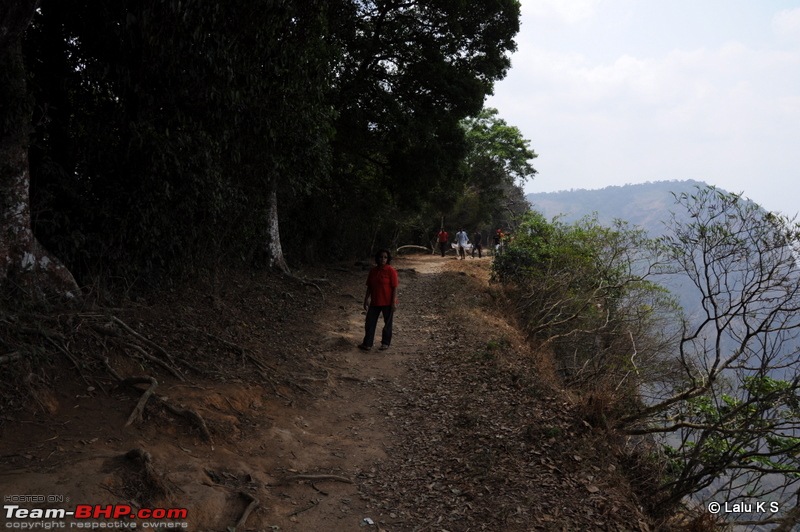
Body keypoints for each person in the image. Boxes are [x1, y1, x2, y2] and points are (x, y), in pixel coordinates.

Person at [358, 249, 399, 351]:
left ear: (388, 259)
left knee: (387, 324)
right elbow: (369, 286)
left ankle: (385, 343)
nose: (383, 259)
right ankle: (367, 344)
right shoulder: (373, 271)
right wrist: (366, 299)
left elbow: (394, 287)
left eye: (385, 257)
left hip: (388, 302)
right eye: (381, 257)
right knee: (370, 322)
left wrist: (393, 302)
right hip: (375, 301)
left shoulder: (391, 271)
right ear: (377, 258)